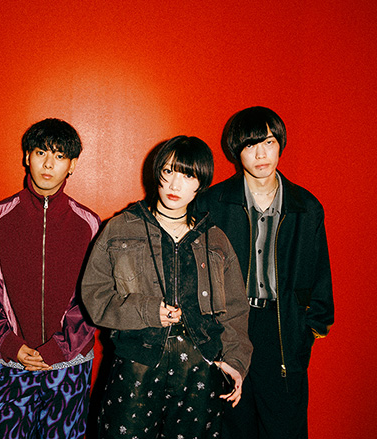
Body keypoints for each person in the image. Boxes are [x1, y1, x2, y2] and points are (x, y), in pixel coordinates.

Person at [81, 136, 252, 439]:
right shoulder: (121, 227)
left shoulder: (215, 239)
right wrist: (145, 310)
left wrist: (236, 362)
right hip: (136, 366)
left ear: (201, 183)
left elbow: (236, 309)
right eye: (169, 171)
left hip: (199, 371)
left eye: (188, 176)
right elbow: (95, 296)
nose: (175, 184)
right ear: (156, 172)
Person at [195, 106, 334, 439]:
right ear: (236, 151)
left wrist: (310, 329)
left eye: (268, 142)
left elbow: (320, 274)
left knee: (284, 426)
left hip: (283, 327)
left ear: (280, 144)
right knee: (232, 424)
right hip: (230, 326)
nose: (261, 154)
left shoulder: (306, 206)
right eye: (250, 145)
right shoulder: (212, 203)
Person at [0, 118, 100, 439]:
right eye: (41, 152)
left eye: (59, 156)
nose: (48, 164)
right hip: (13, 363)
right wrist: (9, 345)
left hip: (69, 366)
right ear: (26, 156)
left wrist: (58, 349)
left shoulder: (89, 224)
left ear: (72, 165)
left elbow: (93, 299)